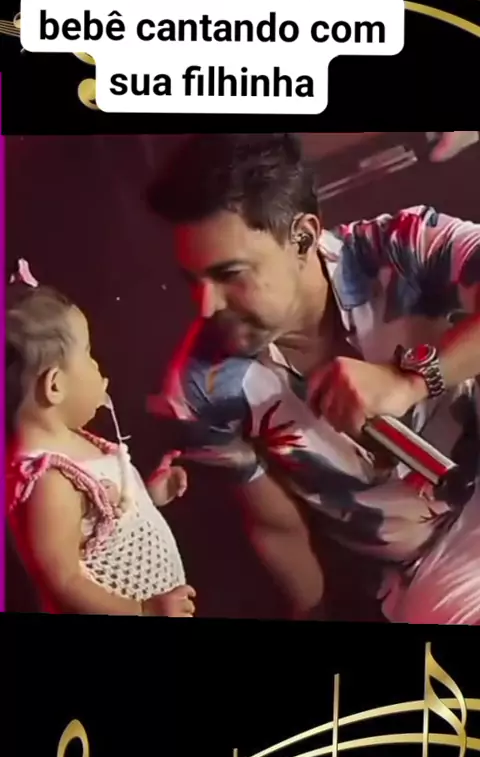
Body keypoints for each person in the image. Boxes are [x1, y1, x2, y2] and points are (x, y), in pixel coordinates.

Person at [146, 133, 480, 624]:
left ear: (302, 237)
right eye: (193, 282)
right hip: (433, 561)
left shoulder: (403, 244)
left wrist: (409, 382)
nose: (207, 306)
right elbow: (274, 526)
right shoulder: (200, 388)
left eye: (230, 274)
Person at [7, 260, 196, 616]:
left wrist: (149, 496)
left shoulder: (74, 443)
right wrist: (143, 611)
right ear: (55, 386)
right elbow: (64, 581)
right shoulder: (49, 481)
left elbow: (104, 522)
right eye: (88, 355)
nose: (98, 366)